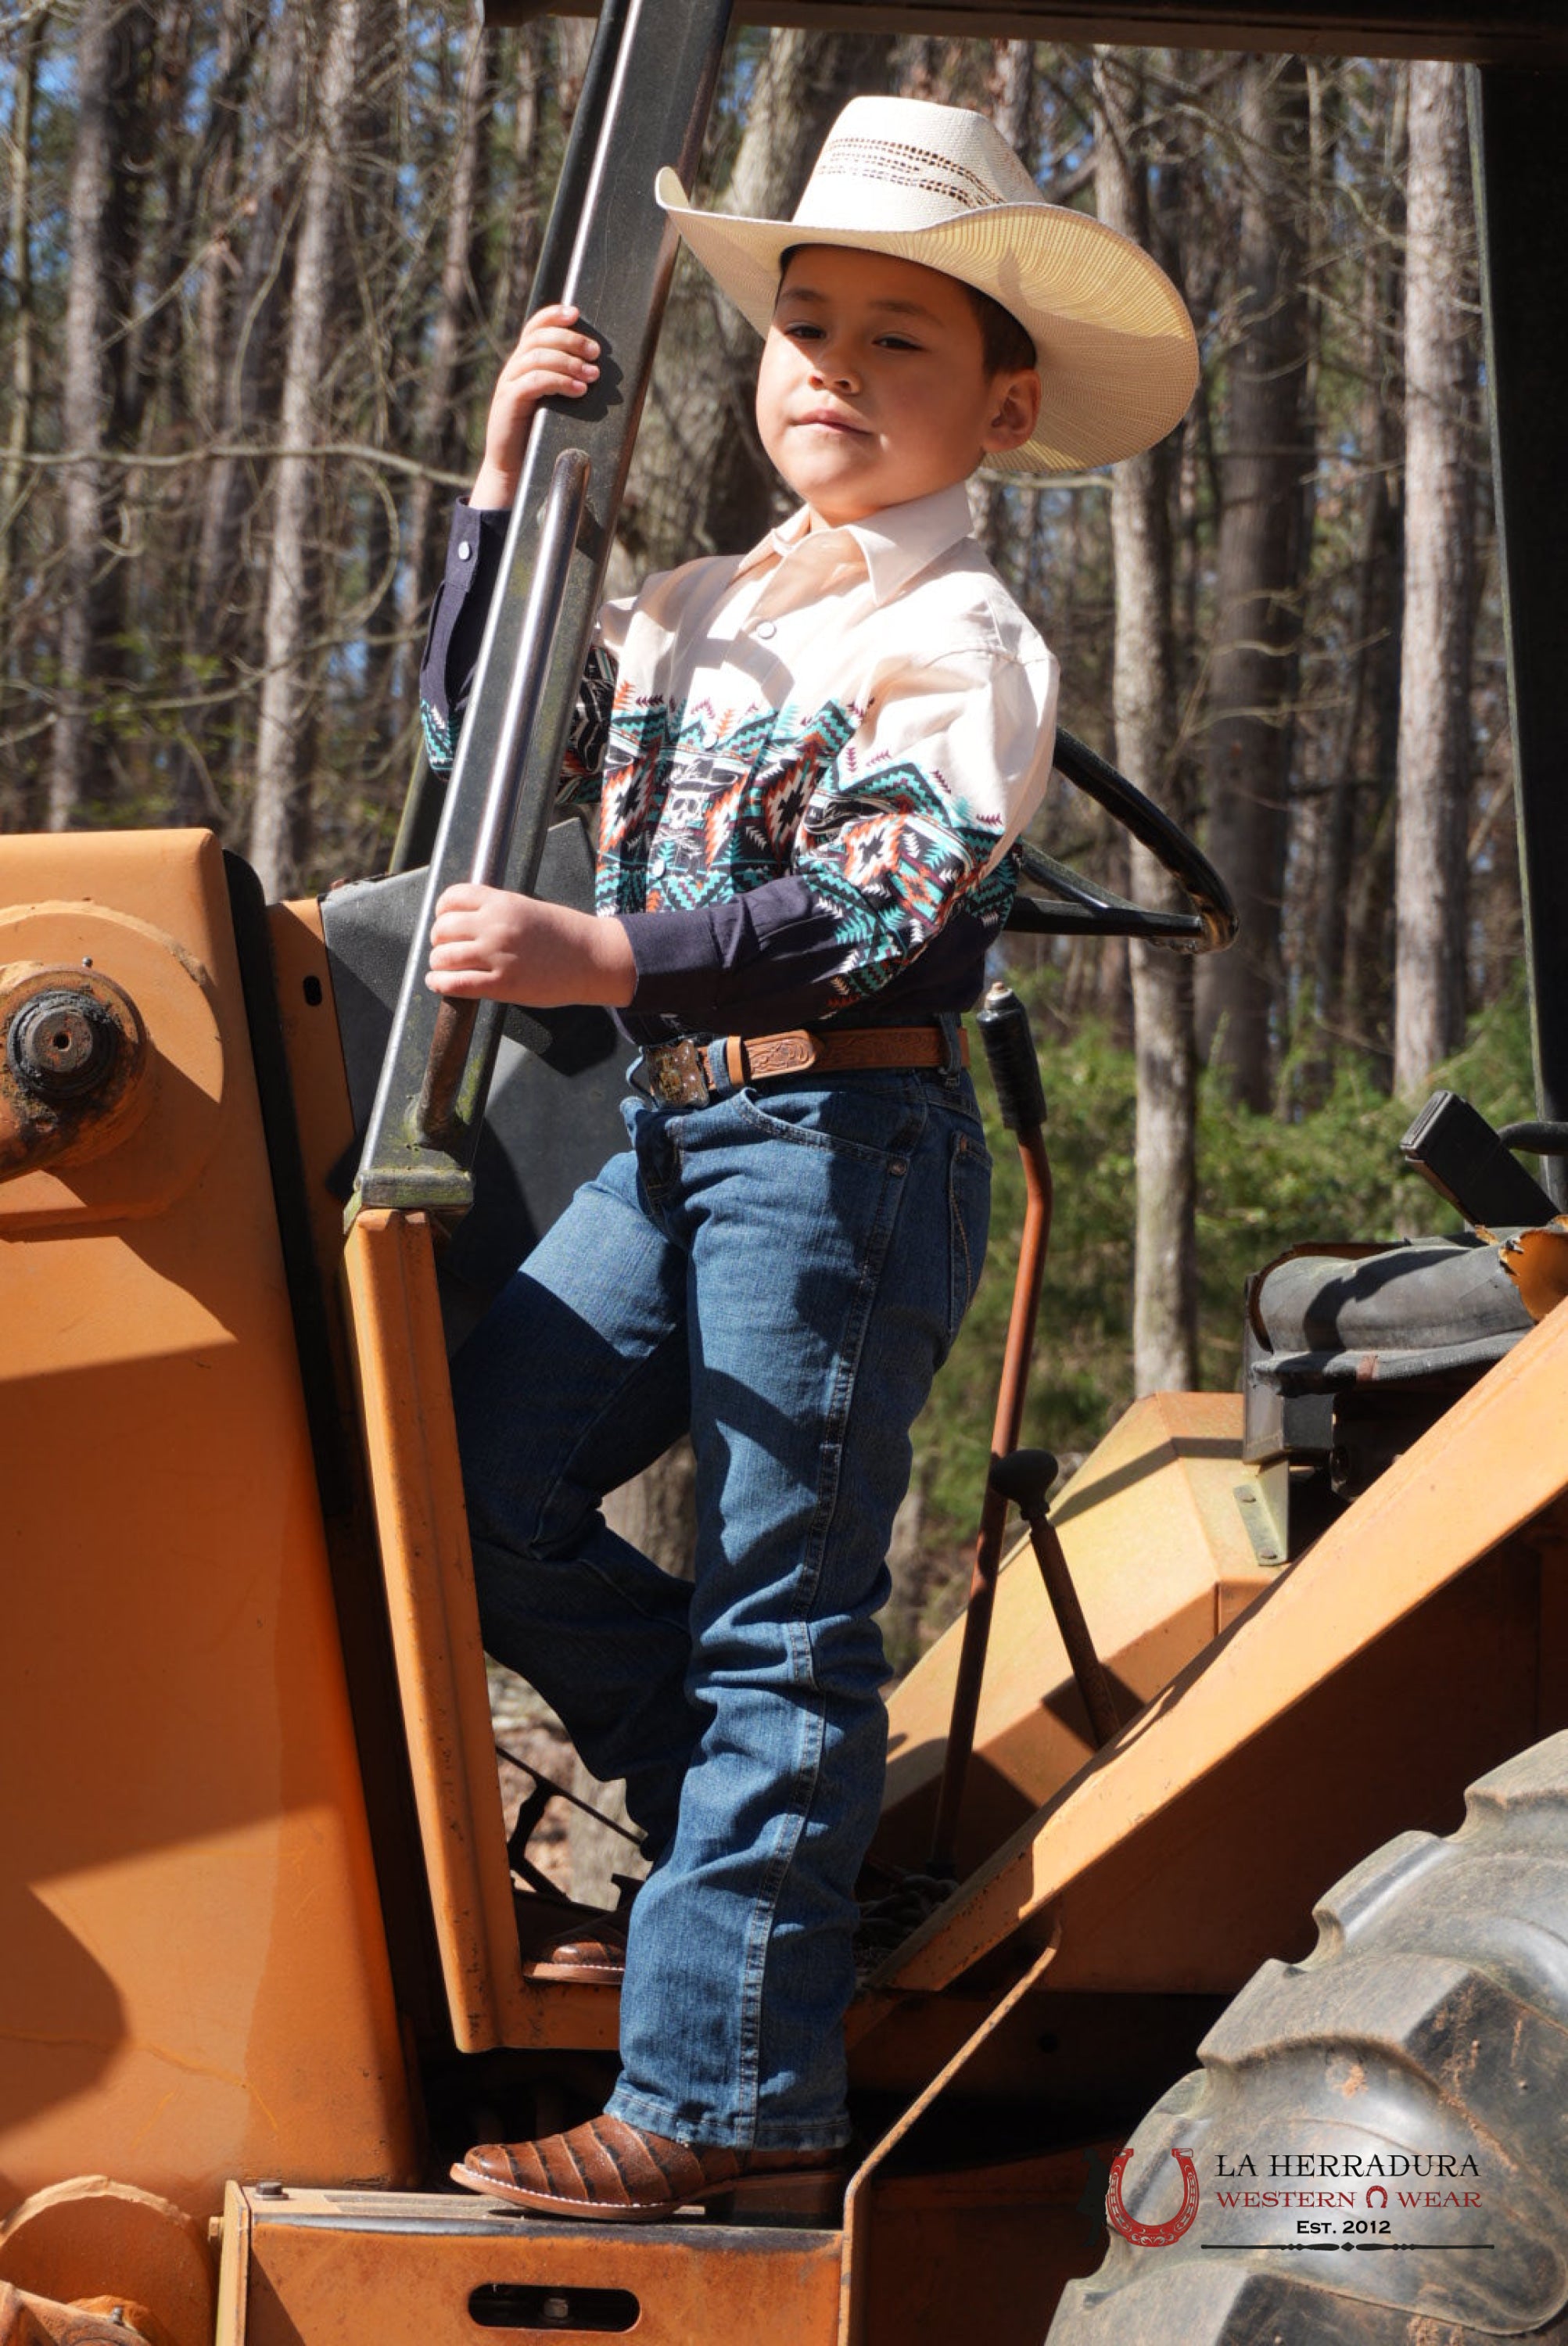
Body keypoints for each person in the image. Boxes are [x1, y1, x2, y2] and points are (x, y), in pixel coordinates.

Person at [423, 95, 1197, 2223]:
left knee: (785, 1608)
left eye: (899, 342)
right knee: (474, 1485)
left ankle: (727, 2098)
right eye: (805, 325)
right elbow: (477, 751)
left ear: (1003, 403)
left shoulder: (964, 642)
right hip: (686, 1136)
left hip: (844, 1133)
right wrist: (505, 498)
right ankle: (741, 1889)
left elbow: (890, 900)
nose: (833, 370)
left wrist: (609, 952)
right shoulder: (686, 602)